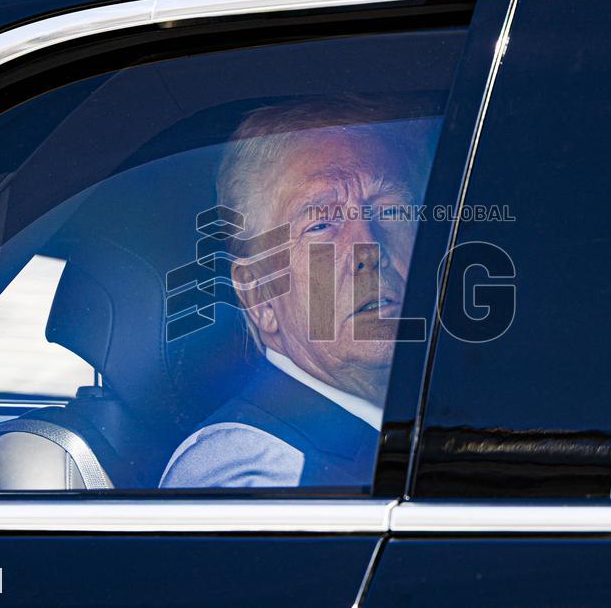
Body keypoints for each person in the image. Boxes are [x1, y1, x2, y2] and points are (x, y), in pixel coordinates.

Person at [160, 97, 430, 488]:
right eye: (320, 226)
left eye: (390, 212)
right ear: (259, 295)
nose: (369, 250)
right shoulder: (248, 470)